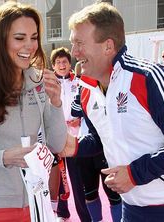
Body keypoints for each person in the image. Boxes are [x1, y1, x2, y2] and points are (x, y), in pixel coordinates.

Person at [64, 2, 164, 221]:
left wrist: (135, 174)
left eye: (79, 43)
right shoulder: (87, 89)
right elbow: (102, 138)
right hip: (131, 207)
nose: (74, 52)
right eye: (72, 43)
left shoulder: (148, 78)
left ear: (108, 46)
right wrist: (75, 146)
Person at [0, 2, 67, 222]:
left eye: (34, 37)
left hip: (37, 202)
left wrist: (56, 104)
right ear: (0, 41)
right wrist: (5, 157)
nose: (30, 45)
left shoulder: (39, 81)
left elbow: (57, 145)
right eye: (20, 38)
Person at [71, 62, 122, 222]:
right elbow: (75, 110)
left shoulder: (108, 87)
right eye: (79, 75)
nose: (82, 77)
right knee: (90, 193)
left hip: (106, 149)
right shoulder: (83, 89)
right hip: (86, 148)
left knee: (113, 194)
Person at [50, 47, 91, 222]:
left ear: (70, 63)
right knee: (58, 178)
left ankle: (84, 215)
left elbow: (86, 104)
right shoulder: (49, 84)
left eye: (64, 62)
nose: (61, 65)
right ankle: (62, 213)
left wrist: (80, 118)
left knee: (77, 180)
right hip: (56, 138)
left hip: (76, 137)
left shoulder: (78, 82)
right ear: (53, 65)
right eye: (58, 62)